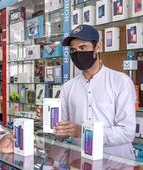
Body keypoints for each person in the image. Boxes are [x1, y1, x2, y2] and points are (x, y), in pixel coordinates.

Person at [55, 24, 136, 160]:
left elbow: (127, 132)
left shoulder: (121, 81)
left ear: (97, 47)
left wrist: (84, 132)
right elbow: (62, 132)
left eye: (83, 47)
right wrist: (51, 121)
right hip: (79, 162)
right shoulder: (68, 87)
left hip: (115, 163)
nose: (77, 53)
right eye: (73, 50)